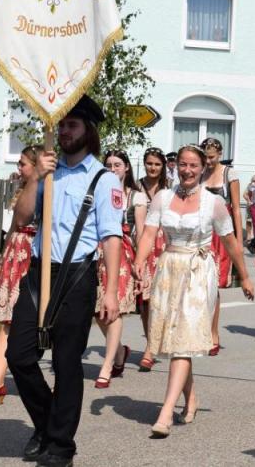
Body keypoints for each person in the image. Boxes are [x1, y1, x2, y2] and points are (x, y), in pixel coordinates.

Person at [6, 95, 122, 466]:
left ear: (88, 131)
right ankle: (46, 424)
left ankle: (60, 446)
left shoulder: (103, 179)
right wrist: (36, 177)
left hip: (77, 275)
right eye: (62, 125)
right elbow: (23, 218)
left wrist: (113, 292)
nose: (64, 131)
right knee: (19, 355)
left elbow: (111, 237)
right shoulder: (48, 172)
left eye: (72, 125)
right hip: (40, 271)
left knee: (67, 364)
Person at [132, 144, 254, 438]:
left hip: (199, 272)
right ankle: (191, 398)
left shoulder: (213, 203)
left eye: (194, 166)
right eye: (183, 165)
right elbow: (149, 233)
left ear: (203, 169)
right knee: (174, 340)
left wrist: (245, 277)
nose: (187, 170)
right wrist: (138, 260)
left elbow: (230, 242)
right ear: (175, 167)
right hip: (168, 269)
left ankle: (165, 411)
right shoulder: (162, 198)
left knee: (184, 339)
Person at [0, 145, 42, 406]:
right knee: (7, 319)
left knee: (37, 323)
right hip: (16, 254)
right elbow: (13, 227)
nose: (18, 167)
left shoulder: (50, 191)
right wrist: (1, 261)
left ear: (36, 166)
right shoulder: (21, 190)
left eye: (23, 163)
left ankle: (45, 382)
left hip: (36, 257)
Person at [92, 150, 144, 388]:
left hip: (121, 254)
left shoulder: (135, 197)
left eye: (118, 165)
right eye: (109, 165)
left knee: (115, 311)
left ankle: (107, 364)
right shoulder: (97, 190)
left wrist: (140, 262)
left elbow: (142, 232)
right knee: (96, 310)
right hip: (96, 253)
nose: (113, 169)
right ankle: (120, 351)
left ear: (126, 169)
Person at [201, 138, 243, 355]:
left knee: (212, 285)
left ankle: (213, 333)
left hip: (220, 233)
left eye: (211, 157)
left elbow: (236, 209)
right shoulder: (199, 173)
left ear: (219, 154)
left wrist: (238, 240)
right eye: (205, 157)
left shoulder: (229, 174)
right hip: (202, 232)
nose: (208, 162)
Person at [136, 147, 169, 371]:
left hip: (163, 244)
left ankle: (152, 346)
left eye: (157, 164)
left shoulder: (170, 189)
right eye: (149, 163)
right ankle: (151, 343)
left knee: (159, 298)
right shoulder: (137, 186)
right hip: (142, 243)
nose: (153, 168)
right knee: (144, 300)